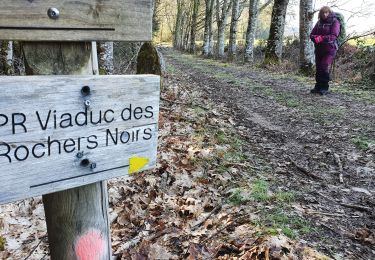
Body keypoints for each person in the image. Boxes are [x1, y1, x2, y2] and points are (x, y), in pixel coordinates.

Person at [310, 6, 340, 95]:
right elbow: (312, 34)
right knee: (319, 67)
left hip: (330, 49)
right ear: (320, 13)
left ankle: (324, 87)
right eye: (323, 12)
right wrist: (315, 38)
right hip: (319, 49)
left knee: (323, 66)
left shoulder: (335, 22)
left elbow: (334, 35)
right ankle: (318, 86)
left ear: (329, 13)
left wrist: (321, 39)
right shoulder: (319, 22)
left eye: (326, 12)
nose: (324, 14)